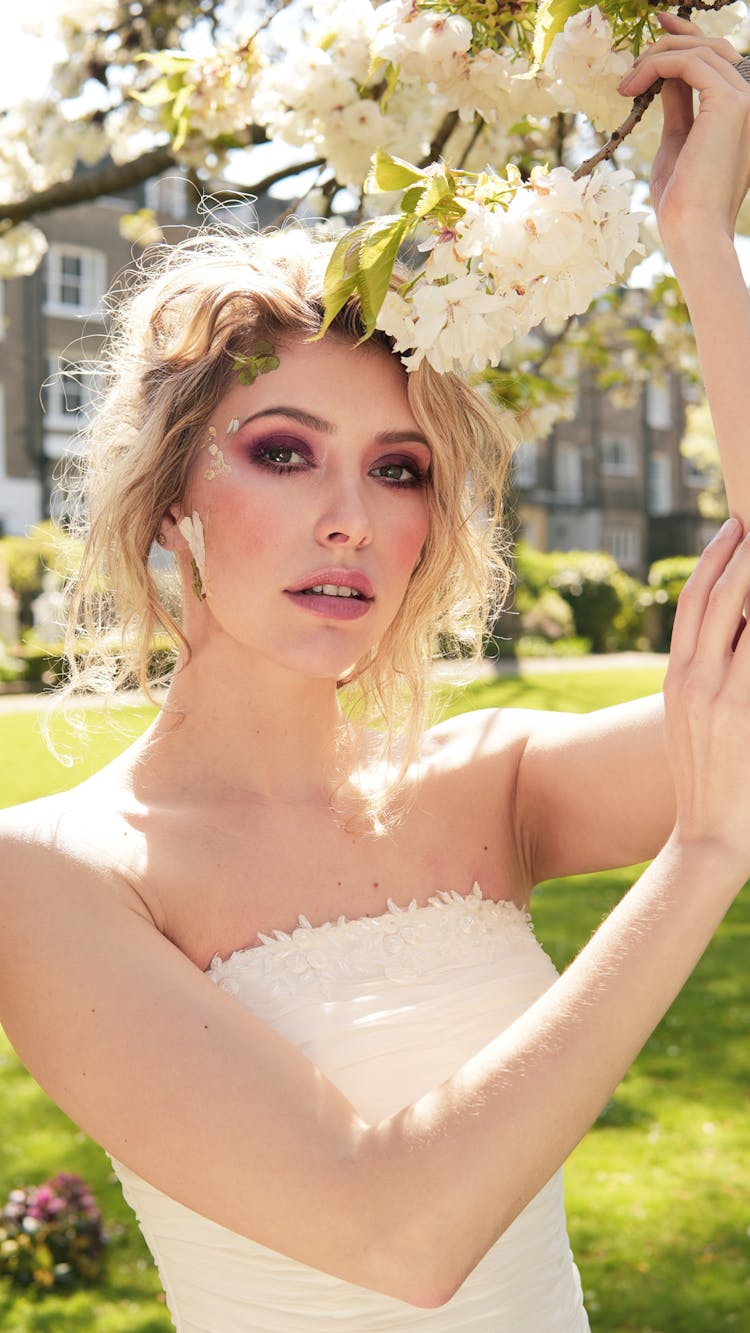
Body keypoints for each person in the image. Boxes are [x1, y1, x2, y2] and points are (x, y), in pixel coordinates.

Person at [1, 17, 749, 1331]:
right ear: (173, 499)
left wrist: (700, 246)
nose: (349, 515)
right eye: (283, 452)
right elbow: (397, 1233)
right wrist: (698, 859)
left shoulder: (487, 783)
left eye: (397, 469)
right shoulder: (50, 873)